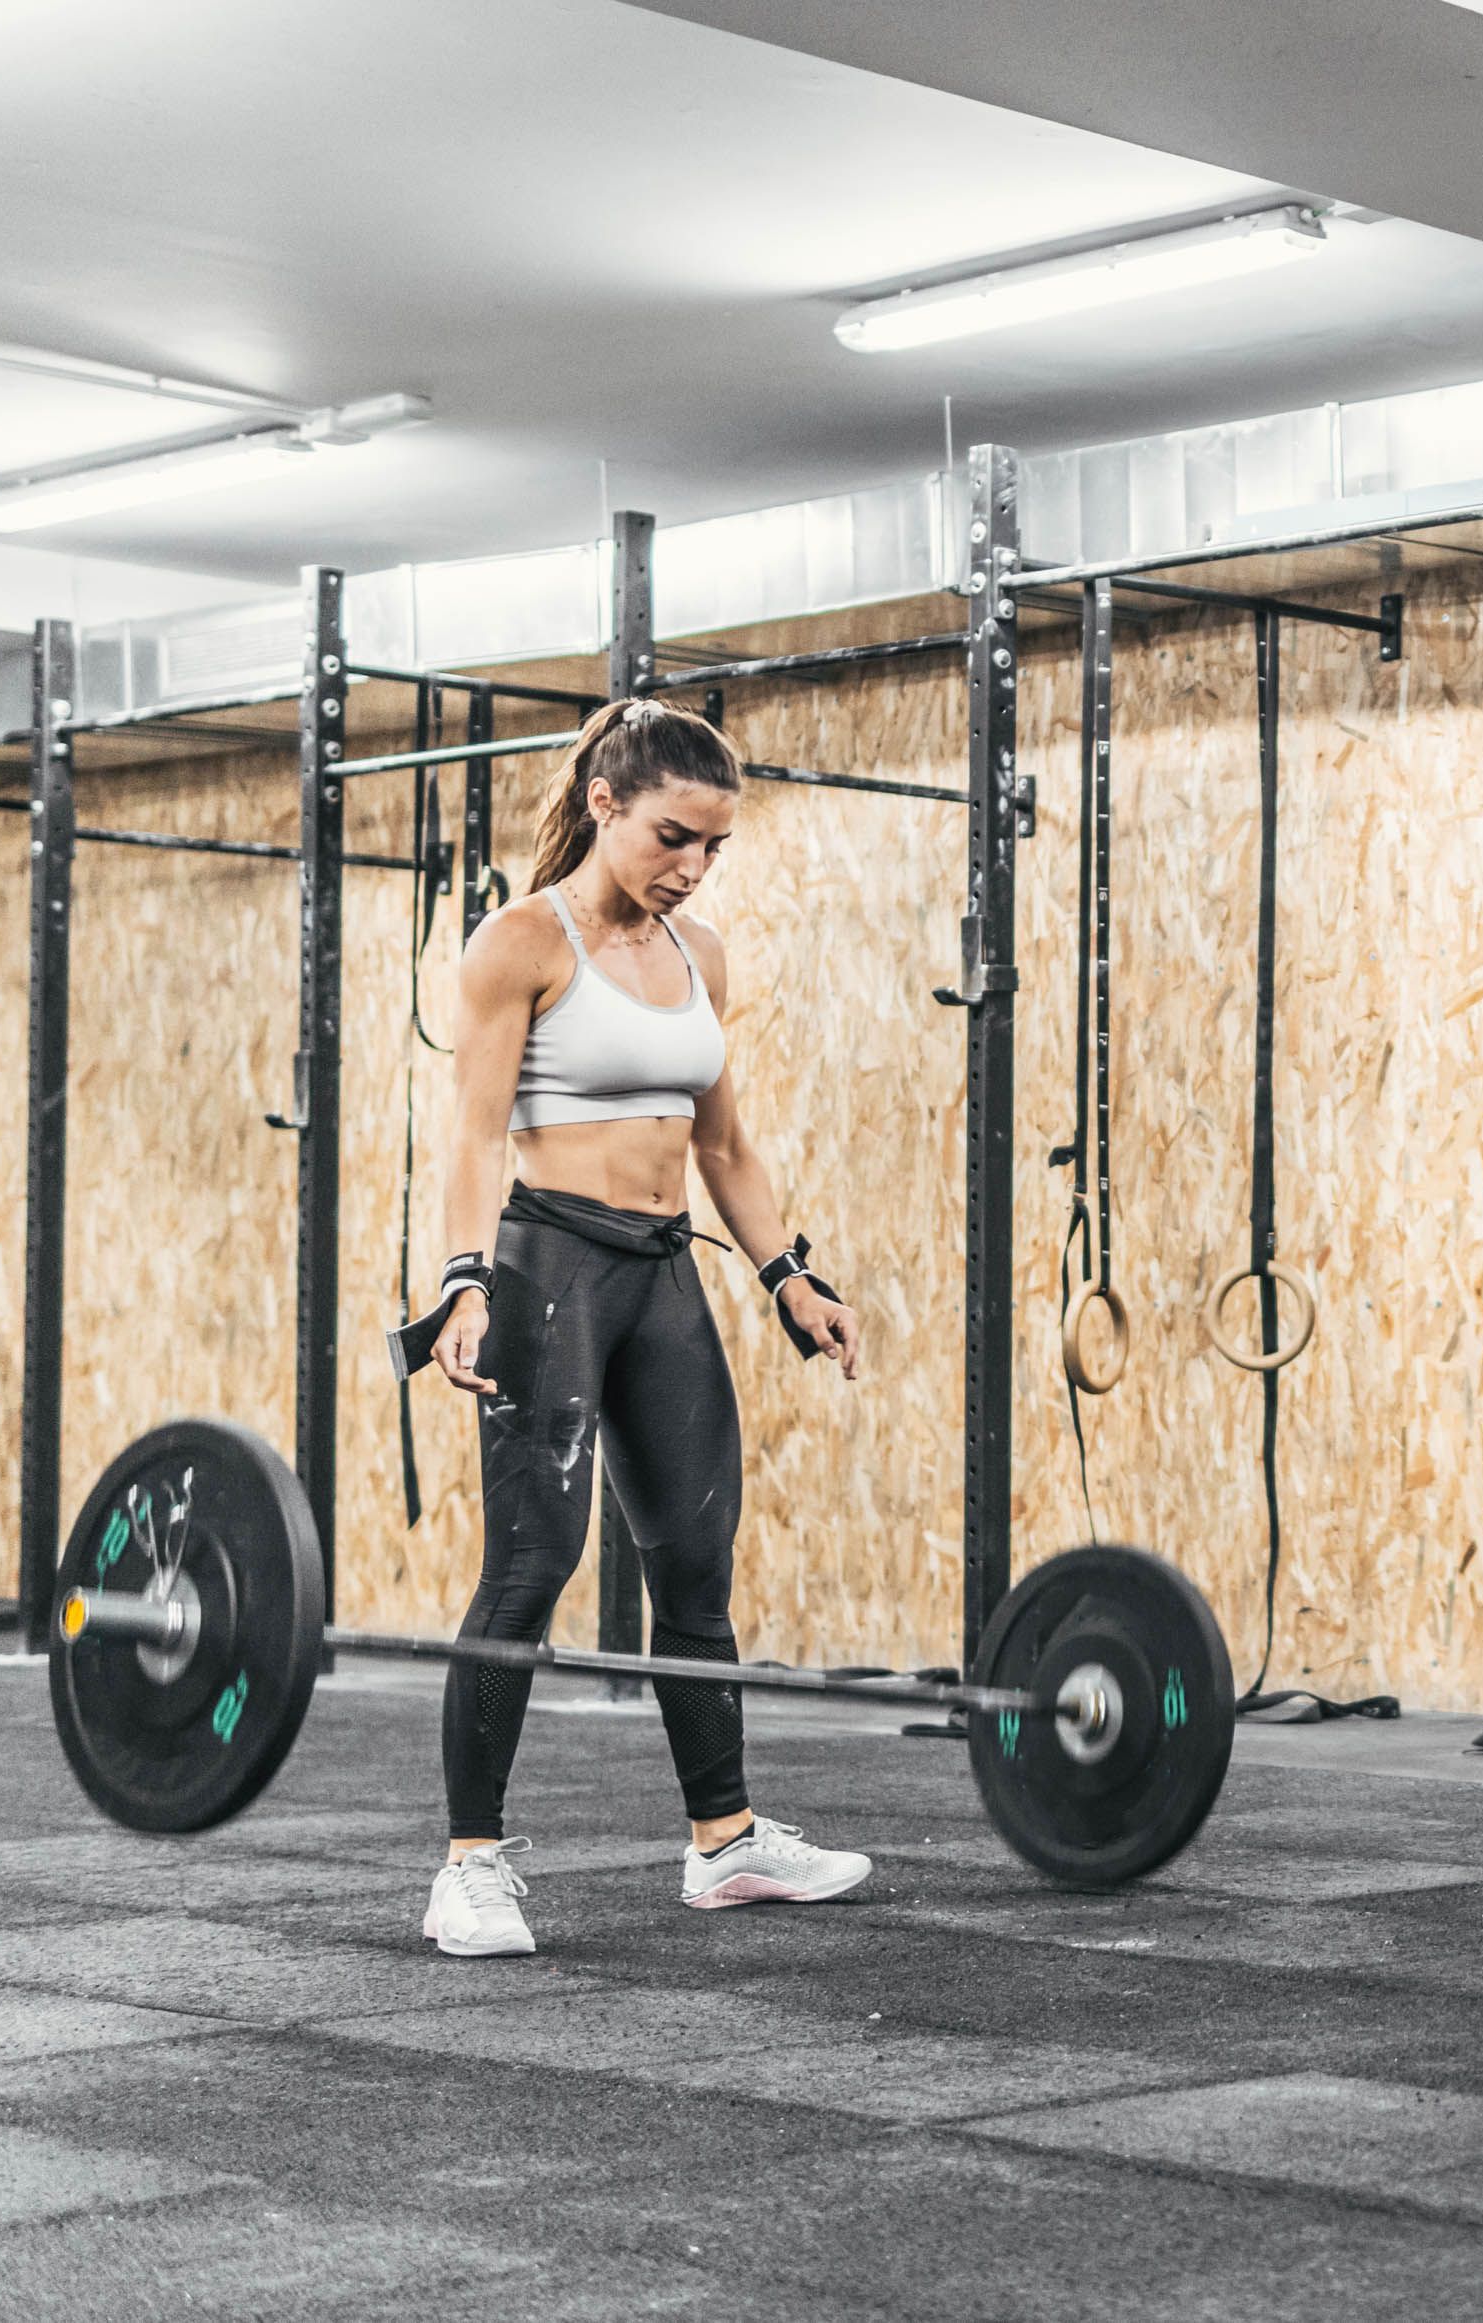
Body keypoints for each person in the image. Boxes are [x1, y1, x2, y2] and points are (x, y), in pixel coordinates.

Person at [415, 698, 871, 1958]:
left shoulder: (700, 954)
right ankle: (470, 1866)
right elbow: (469, 1136)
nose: (694, 865)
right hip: (550, 1265)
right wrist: (465, 1284)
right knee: (531, 1564)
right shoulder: (521, 942)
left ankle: (723, 1842)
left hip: (665, 1273)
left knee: (693, 1563)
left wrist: (787, 1273)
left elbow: (722, 1140)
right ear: (607, 803)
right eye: (676, 836)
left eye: (716, 847)